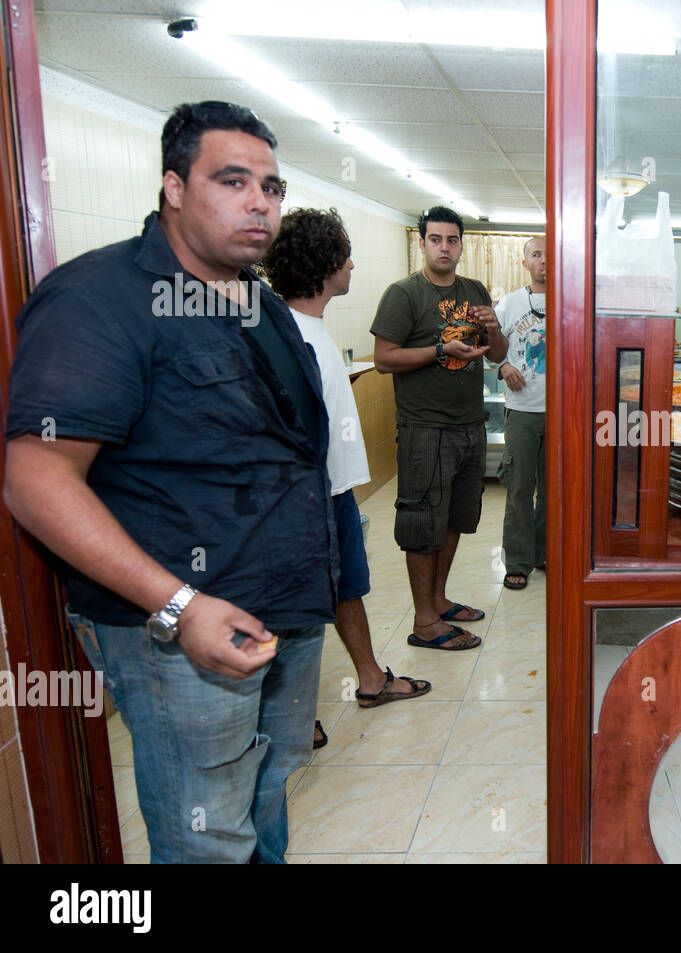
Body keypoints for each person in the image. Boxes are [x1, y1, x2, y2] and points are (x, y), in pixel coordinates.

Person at [4, 101, 334, 863]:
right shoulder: (101, 298)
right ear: (175, 188)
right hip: (179, 631)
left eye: (273, 187)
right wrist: (178, 605)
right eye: (233, 180)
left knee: (266, 788)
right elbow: (35, 477)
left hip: (282, 607)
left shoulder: (260, 304)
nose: (260, 202)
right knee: (206, 833)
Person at [263, 208, 431, 749]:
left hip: (331, 491)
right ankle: (292, 715)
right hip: (310, 497)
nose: (354, 263)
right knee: (300, 608)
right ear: (326, 264)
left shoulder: (308, 329)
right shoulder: (291, 338)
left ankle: (370, 679)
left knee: (344, 588)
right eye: (347, 254)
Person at [371, 206, 507, 650]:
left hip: (470, 423)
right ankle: (424, 622)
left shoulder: (474, 289)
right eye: (435, 239)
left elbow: (495, 352)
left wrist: (494, 327)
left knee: (454, 520)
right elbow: (384, 358)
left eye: (452, 240)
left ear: (461, 245)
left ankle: (439, 600)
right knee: (422, 524)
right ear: (423, 243)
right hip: (425, 428)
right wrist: (436, 349)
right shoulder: (404, 293)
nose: (444, 247)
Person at [494, 236, 547, 590]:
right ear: (525, 262)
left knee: (554, 490)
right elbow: (490, 346)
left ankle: (545, 553)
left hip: (564, 412)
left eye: (550, 254)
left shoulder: (573, 300)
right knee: (519, 488)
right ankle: (517, 560)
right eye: (536, 254)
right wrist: (501, 365)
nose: (544, 260)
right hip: (523, 411)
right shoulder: (511, 304)